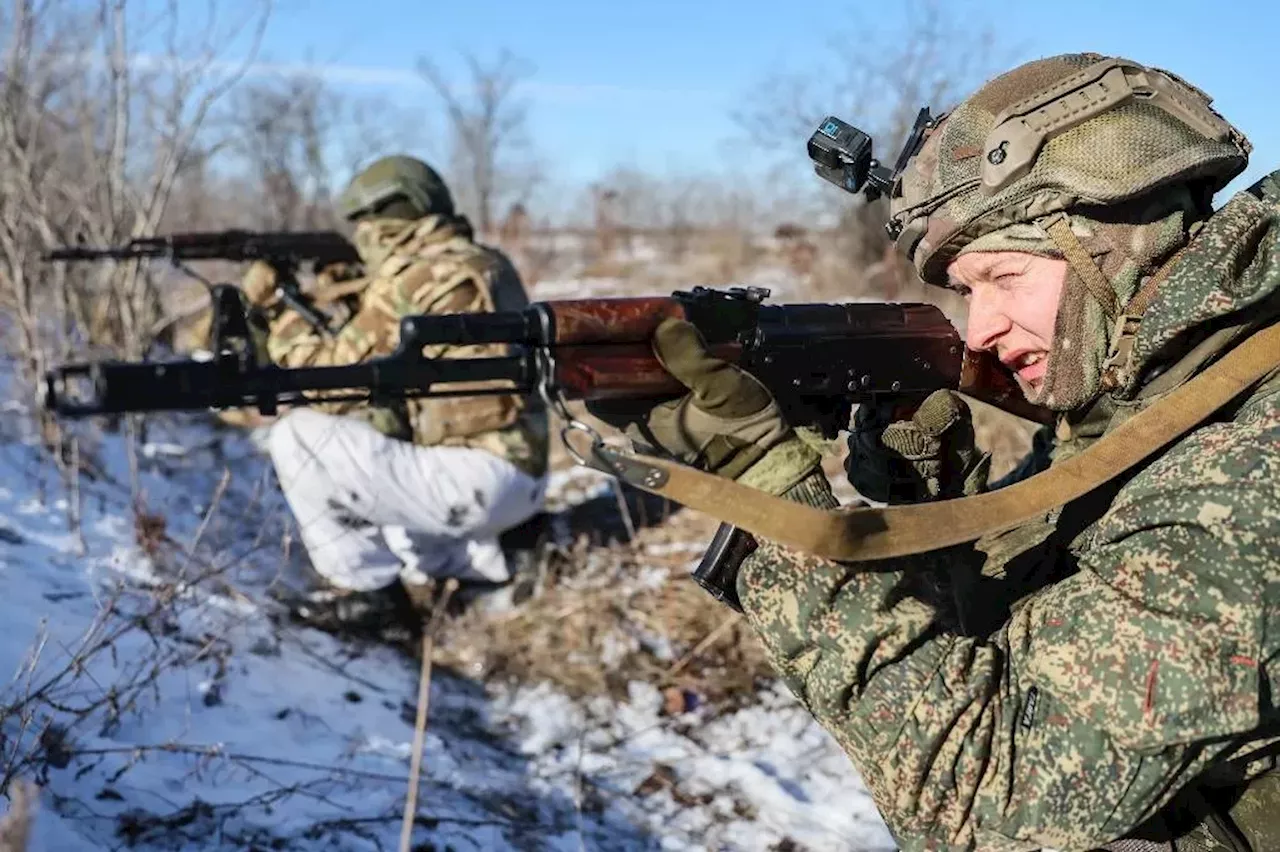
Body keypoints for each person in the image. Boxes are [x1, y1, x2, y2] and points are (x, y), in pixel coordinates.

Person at [590, 54, 1280, 851]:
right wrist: (936, 501)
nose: (979, 328)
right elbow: (1018, 649)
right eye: (964, 291)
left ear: (1112, 239)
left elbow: (989, 798)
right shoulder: (1151, 403)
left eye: (1005, 276)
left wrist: (766, 489)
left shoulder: (1252, 454)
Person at [241, 155, 550, 633]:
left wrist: (279, 308)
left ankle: (375, 602)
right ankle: (502, 554)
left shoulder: (413, 276)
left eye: (367, 221)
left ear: (398, 213)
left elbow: (325, 379)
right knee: (383, 473)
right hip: (519, 477)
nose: (363, 234)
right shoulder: (481, 261)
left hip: (479, 480)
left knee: (297, 437)